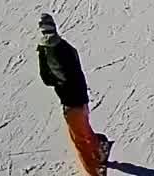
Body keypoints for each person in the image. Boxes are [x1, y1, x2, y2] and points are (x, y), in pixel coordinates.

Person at [37, 14, 110, 175]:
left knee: (79, 140)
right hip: (81, 97)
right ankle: (99, 149)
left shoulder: (45, 52)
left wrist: (57, 79)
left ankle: (94, 170)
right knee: (84, 128)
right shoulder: (66, 47)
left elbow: (47, 79)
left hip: (70, 102)